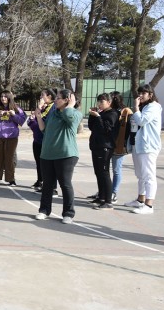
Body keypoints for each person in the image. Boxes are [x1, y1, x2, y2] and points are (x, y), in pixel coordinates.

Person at [33, 89, 82, 223]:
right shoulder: (53, 113)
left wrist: (70, 106)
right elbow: (44, 129)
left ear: (68, 100)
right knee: (47, 185)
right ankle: (44, 210)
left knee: (65, 184)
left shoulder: (76, 114)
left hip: (66, 154)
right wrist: (38, 117)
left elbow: (69, 118)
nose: (55, 100)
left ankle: (68, 213)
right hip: (48, 154)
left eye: (59, 98)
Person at [125, 84, 162, 214]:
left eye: (143, 93)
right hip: (138, 144)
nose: (140, 96)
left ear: (150, 94)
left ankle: (149, 205)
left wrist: (135, 108)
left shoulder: (153, 107)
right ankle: (140, 200)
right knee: (140, 174)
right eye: (139, 93)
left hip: (148, 146)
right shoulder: (144, 106)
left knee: (148, 175)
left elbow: (142, 121)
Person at [87, 93, 119, 210]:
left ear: (109, 102)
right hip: (96, 146)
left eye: (102, 101)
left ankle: (108, 201)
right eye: (98, 101)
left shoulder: (113, 113)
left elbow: (106, 129)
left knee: (104, 173)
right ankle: (101, 196)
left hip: (105, 147)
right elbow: (92, 127)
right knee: (98, 172)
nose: (99, 104)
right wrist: (92, 115)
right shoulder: (101, 113)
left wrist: (98, 117)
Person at [0, 90, 26, 186]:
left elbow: (22, 120)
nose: (3, 98)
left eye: (5, 96)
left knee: (9, 158)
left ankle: (11, 179)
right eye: (1, 96)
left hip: (11, 137)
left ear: (9, 97)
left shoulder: (16, 108)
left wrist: (14, 115)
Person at [27, 89, 56, 191]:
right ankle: (40, 181)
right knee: (39, 163)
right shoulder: (43, 108)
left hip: (45, 140)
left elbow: (42, 123)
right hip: (37, 138)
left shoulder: (53, 108)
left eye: (42, 95)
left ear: (49, 96)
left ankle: (50, 186)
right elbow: (34, 122)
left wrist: (35, 117)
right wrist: (32, 120)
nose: (40, 98)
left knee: (46, 165)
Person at [108, 91, 133, 204]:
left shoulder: (124, 111)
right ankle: (104, 191)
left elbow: (127, 129)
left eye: (111, 98)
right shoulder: (108, 111)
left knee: (116, 170)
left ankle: (114, 193)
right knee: (104, 170)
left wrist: (124, 144)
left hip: (118, 145)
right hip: (108, 144)